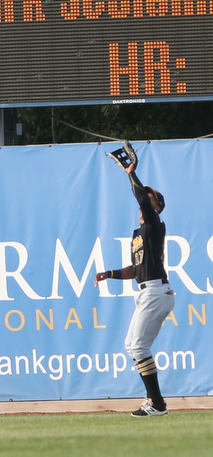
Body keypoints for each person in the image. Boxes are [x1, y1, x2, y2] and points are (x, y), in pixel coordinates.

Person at [94, 161, 175, 417]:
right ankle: (155, 400)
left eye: (150, 198)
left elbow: (141, 197)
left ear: (157, 207)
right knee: (133, 345)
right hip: (147, 291)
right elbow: (136, 269)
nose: (145, 201)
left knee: (137, 347)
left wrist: (132, 173)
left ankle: (157, 403)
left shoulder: (154, 223)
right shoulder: (140, 233)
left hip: (155, 292)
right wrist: (110, 274)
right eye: (146, 197)